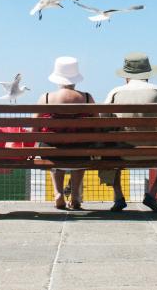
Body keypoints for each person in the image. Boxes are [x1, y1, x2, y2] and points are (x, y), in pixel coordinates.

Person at [103, 52, 157, 213]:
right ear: (148, 74)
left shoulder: (115, 92)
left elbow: (104, 125)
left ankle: (118, 196)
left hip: (123, 154)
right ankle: (152, 194)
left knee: (108, 153)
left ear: (126, 76)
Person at [36, 56, 95, 210]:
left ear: (57, 78)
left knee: (51, 146)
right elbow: (97, 126)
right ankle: (75, 196)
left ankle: (58, 194)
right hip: (81, 152)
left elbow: (34, 128)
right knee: (82, 147)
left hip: (52, 152)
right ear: (76, 79)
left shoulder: (46, 98)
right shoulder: (87, 98)